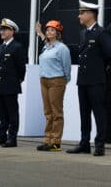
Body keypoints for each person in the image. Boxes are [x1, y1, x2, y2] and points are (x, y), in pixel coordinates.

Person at [68, 0, 111, 156]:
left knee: (99, 113)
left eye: (82, 13)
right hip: (83, 80)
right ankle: (84, 143)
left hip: (96, 80)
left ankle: (100, 144)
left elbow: (109, 54)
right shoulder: (83, 34)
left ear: (90, 14)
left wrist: (99, 69)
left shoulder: (101, 33)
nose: (79, 16)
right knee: (84, 113)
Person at [34, 19, 71, 151]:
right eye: (47, 29)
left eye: (52, 30)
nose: (48, 32)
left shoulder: (62, 48)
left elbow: (67, 67)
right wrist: (39, 32)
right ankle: (48, 139)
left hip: (56, 80)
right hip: (44, 80)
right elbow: (44, 39)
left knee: (56, 112)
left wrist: (63, 81)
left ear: (57, 33)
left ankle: (55, 141)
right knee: (48, 112)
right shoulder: (46, 46)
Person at [0, 18, 25, 148]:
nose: (2, 32)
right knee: (2, 113)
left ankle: (12, 138)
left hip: (10, 84)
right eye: (1, 29)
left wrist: (17, 80)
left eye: (5, 29)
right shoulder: (0, 47)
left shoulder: (17, 47)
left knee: (12, 113)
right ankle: (1, 136)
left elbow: (21, 68)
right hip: (0, 84)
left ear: (12, 31)